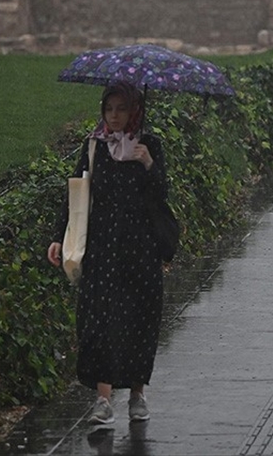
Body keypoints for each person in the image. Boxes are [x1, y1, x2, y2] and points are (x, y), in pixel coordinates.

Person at [47, 81, 168, 425]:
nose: (114, 117)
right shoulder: (94, 146)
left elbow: (162, 195)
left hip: (140, 249)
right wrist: (59, 237)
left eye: (122, 109)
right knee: (99, 321)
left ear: (135, 111)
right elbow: (76, 193)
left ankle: (137, 394)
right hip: (101, 249)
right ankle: (103, 400)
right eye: (109, 109)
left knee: (138, 320)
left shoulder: (150, 145)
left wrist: (148, 165)